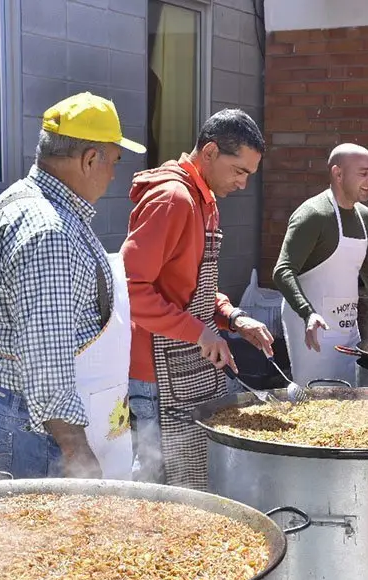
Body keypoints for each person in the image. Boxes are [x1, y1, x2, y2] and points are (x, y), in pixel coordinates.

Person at [0, 92, 145, 480]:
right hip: (34, 428)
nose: (113, 175)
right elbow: (46, 358)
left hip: (17, 410)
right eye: (114, 161)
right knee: (38, 520)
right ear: (90, 159)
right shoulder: (51, 232)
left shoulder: (21, 198)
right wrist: (76, 450)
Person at [121, 109, 274, 491]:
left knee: (187, 482)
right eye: (239, 171)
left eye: (249, 175)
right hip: (155, 377)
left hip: (185, 364)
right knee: (155, 489)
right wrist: (199, 332)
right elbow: (130, 288)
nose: (243, 183)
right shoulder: (173, 199)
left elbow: (193, 288)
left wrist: (233, 317)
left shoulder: (203, 199)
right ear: (209, 152)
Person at [273, 144, 368, 386]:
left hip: (347, 326)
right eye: (363, 173)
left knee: (349, 392)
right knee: (317, 395)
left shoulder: (364, 216)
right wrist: (307, 313)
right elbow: (283, 271)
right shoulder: (314, 215)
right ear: (338, 173)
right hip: (311, 328)